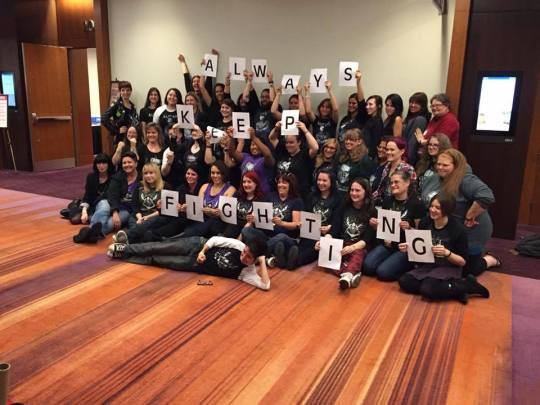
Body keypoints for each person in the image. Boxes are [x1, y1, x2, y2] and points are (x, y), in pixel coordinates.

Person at [398, 193, 490, 304]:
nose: (432, 210)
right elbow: (421, 247)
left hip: (449, 266)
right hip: (429, 265)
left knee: (427, 289)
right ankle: (454, 289)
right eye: (431, 206)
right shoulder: (425, 222)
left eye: (438, 208)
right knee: (405, 281)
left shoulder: (457, 229)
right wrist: (410, 247)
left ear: (447, 210)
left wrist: (447, 253)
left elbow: (462, 262)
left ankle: (467, 286)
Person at [420, 149, 500, 276]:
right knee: (442, 262)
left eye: (445, 165)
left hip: (471, 230)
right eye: (438, 164)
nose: (440, 167)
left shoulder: (465, 179)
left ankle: (489, 260)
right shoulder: (433, 178)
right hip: (447, 228)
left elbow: (487, 196)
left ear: (456, 166)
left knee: (467, 271)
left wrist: (469, 216)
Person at [108, 233, 271, 290]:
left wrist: (262, 262)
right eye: (245, 251)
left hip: (194, 265)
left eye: (248, 257)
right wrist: (202, 251)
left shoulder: (247, 272)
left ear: (254, 260)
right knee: (159, 247)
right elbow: (215, 240)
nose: (243, 255)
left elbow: (265, 285)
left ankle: (121, 255)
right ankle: (125, 248)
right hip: (197, 245)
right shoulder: (239, 245)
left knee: (157, 260)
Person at [363, 171, 425, 281]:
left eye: (396, 182)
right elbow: (384, 227)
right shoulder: (388, 200)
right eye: (391, 182)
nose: (393, 185)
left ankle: (408, 267)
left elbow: (421, 233)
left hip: (404, 248)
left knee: (383, 273)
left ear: (407, 183)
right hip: (388, 244)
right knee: (367, 267)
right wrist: (375, 225)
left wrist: (409, 228)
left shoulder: (416, 203)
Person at [316, 177, 375, 289]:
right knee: (326, 260)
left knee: (357, 254)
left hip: (359, 245)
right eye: (352, 190)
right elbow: (334, 229)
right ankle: (352, 273)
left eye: (357, 190)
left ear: (365, 192)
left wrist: (352, 247)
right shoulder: (344, 206)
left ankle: (347, 276)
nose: (354, 193)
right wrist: (325, 241)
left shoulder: (372, 211)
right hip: (342, 243)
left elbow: (366, 240)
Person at [74, 151, 139, 243]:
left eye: (129, 162)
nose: (127, 165)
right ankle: (92, 232)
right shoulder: (118, 176)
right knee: (104, 204)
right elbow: (112, 195)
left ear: (136, 163)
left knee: (111, 223)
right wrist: (115, 212)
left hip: (127, 210)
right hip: (112, 205)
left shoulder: (141, 178)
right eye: (124, 163)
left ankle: (88, 234)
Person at [141, 165, 205, 242]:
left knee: (177, 222)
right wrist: (162, 204)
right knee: (165, 219)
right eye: (188, 174)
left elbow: (200, 209)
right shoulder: (182, 188)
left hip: (193, 220)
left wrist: (188, 209)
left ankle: (156, 235)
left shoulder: (202, 188)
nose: (189, 176)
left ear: (198, 176)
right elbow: (171, 203)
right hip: (178, 217)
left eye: (193, 174)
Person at [296, 169, 341, 268]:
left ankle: (294, 262)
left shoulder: (338, 199)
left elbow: (338, 220)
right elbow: (306, 213)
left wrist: (330, 227)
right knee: (303, 245)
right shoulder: (311, 196)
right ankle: (290, 259)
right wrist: (301, 223)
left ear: (331, 182)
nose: (321, 183)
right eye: (319, 180)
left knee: (313, 248)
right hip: (310, 232)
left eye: (324, 180)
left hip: (326, 235)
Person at [182, 161, 236, 238]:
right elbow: (197, 208)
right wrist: (188, 208)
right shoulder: (205, 186)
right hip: (203, 221)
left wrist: (212, 211)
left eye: (218, 173)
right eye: (213, 173)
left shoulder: (230, 189)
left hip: (219, 223)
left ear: (223, 174)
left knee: (208, 223)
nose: (215, 175)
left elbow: (226, 214)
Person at [116, 163, 164, 244]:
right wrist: (139, 218)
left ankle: (125, 238)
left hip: (155, 216)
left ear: (157, 173)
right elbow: (135, 205)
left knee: (143, 227)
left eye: (151, 173)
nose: (148, 176)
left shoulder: (165, 186)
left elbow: (164, 211)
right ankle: (130, 242)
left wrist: (147, 217)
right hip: (139, 216)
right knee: (133, 221)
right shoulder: (139, 185)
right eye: (146, 173)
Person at [269, 120, 319, 197]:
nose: (288, 145)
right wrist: (276, 128)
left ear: (299, 142)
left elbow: (315, 148)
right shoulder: (282, 152)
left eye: (291, 142)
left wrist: (305, 131)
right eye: (287, 142)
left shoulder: (305, 154)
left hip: (299, 195)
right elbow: (272, 138)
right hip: (280, 194)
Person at [266, 173, 304, 270]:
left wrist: (281, 223)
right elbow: (260, 212)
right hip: (270, 235)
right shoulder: (270, 196)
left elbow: (296, 224)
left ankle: (260, 253)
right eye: (279, 182)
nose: (280, 185)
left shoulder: (296, 201)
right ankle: (280, 255)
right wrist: (254, 217)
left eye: (284, 182)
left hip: (289, 237)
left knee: (281, 237)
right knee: (247, 231)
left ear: (291, 185)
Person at [63, 153, 113, 224]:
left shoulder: (113, 177)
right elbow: (88, 196)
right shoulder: (91, 177)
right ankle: (75, 206)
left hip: (104, 205)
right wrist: (84, 211)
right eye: (98, 163)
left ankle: (72, 208)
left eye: (104, 163)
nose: (101, 166)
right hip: (91, 204)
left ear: (108, 164)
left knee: (91, 219)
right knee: (75, 219)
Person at [225, 127, 275, 195]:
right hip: (245, 194)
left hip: (261, 195)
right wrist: (232, 138)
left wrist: (254, 138)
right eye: (252, 145)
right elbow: (232, 152)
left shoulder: (265, 160)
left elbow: (268, 155)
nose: (254, 147)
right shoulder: (245, 156)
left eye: (256, 145)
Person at [372, 137, 416, 205]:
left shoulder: (408, 169)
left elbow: (412, 192)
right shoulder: (387, 166)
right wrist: (369, 199)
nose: (388, 152)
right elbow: (380, 189)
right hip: (383, 204)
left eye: (392, 150)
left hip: (400, 206)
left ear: (402, 151)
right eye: (387, 149)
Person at [223, 171, 266, 239]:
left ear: (256, 183)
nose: (246, 184)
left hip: (249, 229)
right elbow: (229, 214)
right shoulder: (238, 194)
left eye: (249, 182)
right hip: (234, 226)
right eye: (244, 182)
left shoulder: (261, 199)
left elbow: (250, 223)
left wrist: (239, 239)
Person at [335, 128, 374, 193]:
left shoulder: (365, 160)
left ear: (359, 141)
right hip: (338, 193)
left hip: (353, 194)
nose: (348, 142)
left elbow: (364, 183)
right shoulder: (341, 156)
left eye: (351, 140)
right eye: (346, 139)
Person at [304, 80, 339, 147]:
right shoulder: (316, 119)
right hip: (316, 150)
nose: (324, 109)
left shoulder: (333, 121)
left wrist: (329, 90)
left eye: (327, 107)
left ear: (331, 109)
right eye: (322, 106)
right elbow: (308, 111)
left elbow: (336, 109)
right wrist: (307, 91)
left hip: (329, 149)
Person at [337, 70, 368, 144]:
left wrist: (358, 81)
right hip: (342, 148)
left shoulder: (361, 118)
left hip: (355, 148)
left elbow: (361, 101)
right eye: (350, 103)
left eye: (354, 103)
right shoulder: (345, 119)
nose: (351, 105)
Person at [403, 92, 431, 165]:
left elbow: (413, 143)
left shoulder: (420, 119)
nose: (413, 105)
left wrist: (406, 160)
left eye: (417, 103)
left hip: (409, 159)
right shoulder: (412, 117)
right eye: (411, 102)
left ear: (423, 105)